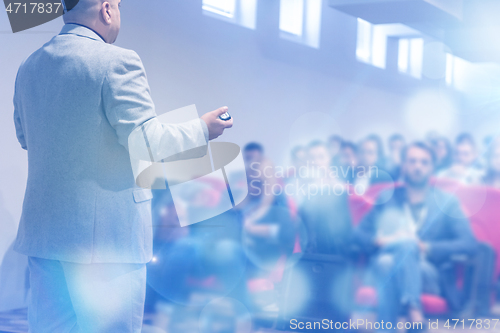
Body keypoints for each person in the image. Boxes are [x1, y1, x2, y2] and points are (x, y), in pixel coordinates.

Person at [12, 1, 233, 331]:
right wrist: (203, 128)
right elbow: (148, 142)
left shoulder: (29, 67)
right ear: (106, 10)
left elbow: (25, 137)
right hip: (107, 246)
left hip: (45, 239)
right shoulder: (116, 61)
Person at [355, 142, 477, 331]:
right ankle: (415, 314)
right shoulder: (387, 198)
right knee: (390, 260)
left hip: (429, 273)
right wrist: (380, 241)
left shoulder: (447, 202)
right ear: (403, 165)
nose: (417, 166)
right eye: (412, 161)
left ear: (432, 168)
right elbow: (359, 235)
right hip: (386, 265)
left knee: (393, 257)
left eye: (424, 162)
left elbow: (469, 244)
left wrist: (425, 247)